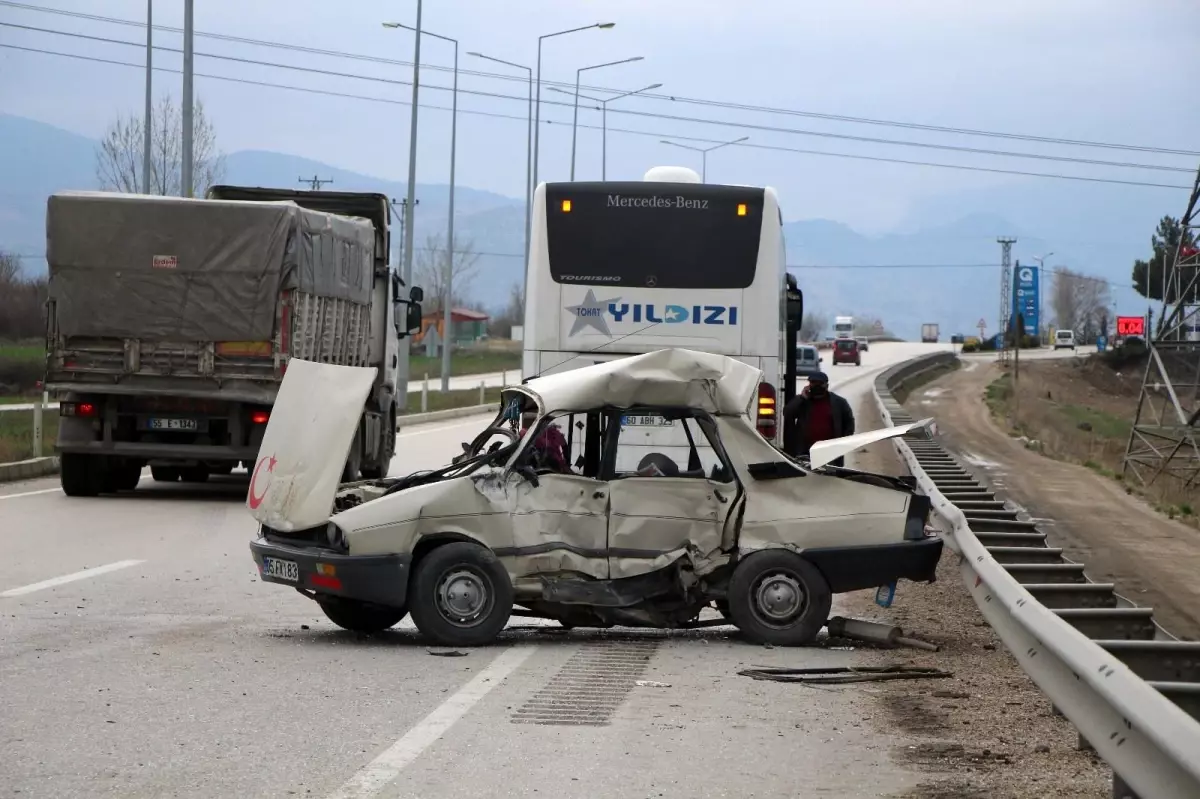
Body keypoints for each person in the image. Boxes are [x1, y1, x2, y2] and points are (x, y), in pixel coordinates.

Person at [781, 371, 855, 467]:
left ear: (826, 386)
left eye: (819, 384)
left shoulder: (839, 402)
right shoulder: (803, 401)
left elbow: (849, 423)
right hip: (805, 452)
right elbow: (787, 413)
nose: (816, 386)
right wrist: (802, 398)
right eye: (813, 383)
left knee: (830, 479)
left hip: (830, 452)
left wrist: (841, 444)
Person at [520, 409, 570, 473]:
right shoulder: (524, 433)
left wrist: (566, 464)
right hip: (534, 466)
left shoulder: (553, 432)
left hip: (553, 466)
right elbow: (565, 447)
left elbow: (564, 447)